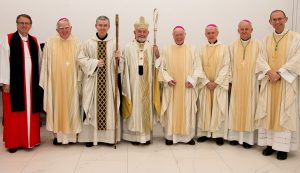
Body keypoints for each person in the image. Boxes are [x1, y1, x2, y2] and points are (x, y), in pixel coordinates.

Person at [255, 10, 300, 160]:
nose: (277, 21)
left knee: (284, 112)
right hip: (270, 81)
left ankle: (282, 148)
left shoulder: (296, 38)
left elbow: (297, 58)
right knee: (268, 111)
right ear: (270, 22)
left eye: (280, 18)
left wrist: (279, 72)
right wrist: (269, 71)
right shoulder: (266, 40)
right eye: (274, 19)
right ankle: (269, 145)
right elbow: (260, 58)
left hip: (285, 83)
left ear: (285, 19)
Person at [0, 14, 42, 153]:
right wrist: (5, 82)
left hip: (31, 85)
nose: (24, 25)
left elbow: (39, 62)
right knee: (14, 114)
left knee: (31, 112)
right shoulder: (8, 39)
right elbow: (3, 62)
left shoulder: (34, 41)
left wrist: (40, 81)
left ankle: (31, 140)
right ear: (17, 24)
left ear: (31, 25)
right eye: (21, 23)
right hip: (14, 84)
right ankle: (14, 143)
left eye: (27, 23)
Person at [77, 16, 121, 147]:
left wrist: (119, 58)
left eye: (105, 25)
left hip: (109, 83)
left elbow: (120, 66)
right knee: (91, 108)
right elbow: (80, 59)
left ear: (109, 27)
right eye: (100, 25)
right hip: (93, 82)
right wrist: (95, 63)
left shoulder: (114, 43)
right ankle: (91, 138)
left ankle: (108, 139)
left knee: (109, 110)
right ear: (95, 26)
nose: (102, 27)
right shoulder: (88, 43)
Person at [39, 18, 82, 145]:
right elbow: (46, 63)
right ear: (57, 30)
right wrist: (46, 80)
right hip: (55, 83)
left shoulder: (77, 42)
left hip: (72, 83)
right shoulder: (50, 42)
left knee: (72, 106)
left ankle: (72, 137)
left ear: (71, 28)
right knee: (56, 107)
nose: (64, 31)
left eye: (66, 28)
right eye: (61, 29)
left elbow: (81, 62)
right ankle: (59, 137)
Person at [121, 16, 160, 145]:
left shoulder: (151, 47)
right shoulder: (128, 47)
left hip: (147, 85)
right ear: (134, 33)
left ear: (148, 33)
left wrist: (158, 55)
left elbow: (158, 66)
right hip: (133, 85)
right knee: (135, 109)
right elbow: (122, 65)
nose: (142, 34)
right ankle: (134, 138)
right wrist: (117, 59)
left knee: (145, 109)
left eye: (144, 32)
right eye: (139, 31)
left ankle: (146, 137)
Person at [160, 26, 200, 145]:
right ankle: (170, 137)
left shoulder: (193, 49)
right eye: (176, 35)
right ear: (173, 36)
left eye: (181, 34)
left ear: (185, 35)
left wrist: (192, 81)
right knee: (171, 111)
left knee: (187, 110)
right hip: (172, 87)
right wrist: (167, 79)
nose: (178, 37)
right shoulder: (166, 49)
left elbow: (197, 67)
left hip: (186, 87)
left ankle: (187, 138)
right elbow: (162, 68)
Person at [228, 20, 261, 149]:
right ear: (238, 30)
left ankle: (248, 139)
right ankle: (235, 137)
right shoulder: (232, 46)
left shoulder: (259, 45)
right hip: (236, 83)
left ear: (252, 30)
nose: (244, 31)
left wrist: (259, 82)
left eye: (247, 29)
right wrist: (230, 81)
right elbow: (229, 64)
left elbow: (261, 63)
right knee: (235, 108)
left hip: (251, 83)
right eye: (241, 29)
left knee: (250, 109)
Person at [196, 24, 230, 146]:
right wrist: (206, 81)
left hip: (218, 85)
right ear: (205, 34)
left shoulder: (224, 48)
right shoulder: (201, 49)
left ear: (217, 33)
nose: (211, 35)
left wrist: (216, 82)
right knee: (205, 109)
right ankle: (204, 134)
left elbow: (226, 66)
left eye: (213, 33)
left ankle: (218, 135)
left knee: (218, 108)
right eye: (208, 33)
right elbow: (198, 66)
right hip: (206, 85)